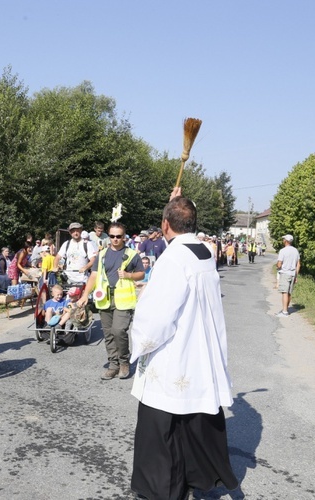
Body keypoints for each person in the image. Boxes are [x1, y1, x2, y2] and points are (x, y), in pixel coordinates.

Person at [130, 188, 238, 500]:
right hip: (199, 350)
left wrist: (139, 343)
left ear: (165, 225)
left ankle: (162, 490)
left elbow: (158, 318)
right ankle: (198, 478)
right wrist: (175, 203)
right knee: (190, 420)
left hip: (173, 354)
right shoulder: (203, 252)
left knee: (161, 428)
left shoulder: (172, 259)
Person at [78, 222, 144, 380]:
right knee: (108, 334)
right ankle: (113, 364)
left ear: (124, 237)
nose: (115, 239)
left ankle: (124, 362)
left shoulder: (131, 254)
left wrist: (129, 275)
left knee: (119, 331)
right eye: (112, 236)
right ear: (109, 236)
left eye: (119, 236)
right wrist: (85, 294)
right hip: (104, 299)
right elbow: (94, 275)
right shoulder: (101, 255)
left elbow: (141, 273)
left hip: (123, 299)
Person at [277, 234, 301, 317]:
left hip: (285, 273)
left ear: (286, 241)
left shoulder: (283, 251)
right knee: (289, 293)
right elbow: (298, 264)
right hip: (293, 274)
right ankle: (286, 309)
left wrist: (278, 266)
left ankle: (284, 312)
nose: (283, 240)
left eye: (283, 239)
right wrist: (296, 275)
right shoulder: (295, 250)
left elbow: (279, 264)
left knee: (284, 292)